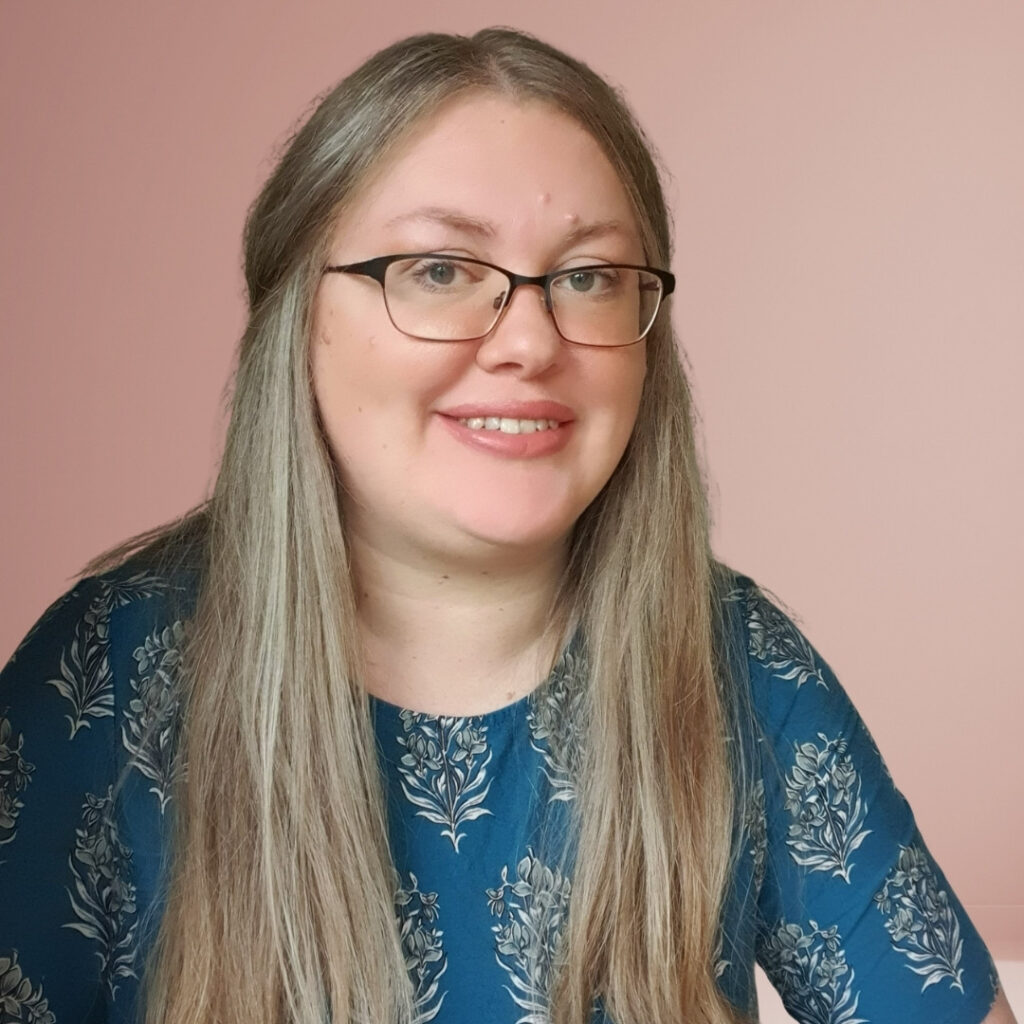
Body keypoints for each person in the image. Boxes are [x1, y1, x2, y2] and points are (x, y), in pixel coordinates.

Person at [0, 27, 1015, 1024]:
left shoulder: (740, 669)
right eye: (441, 269)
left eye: (588, 277)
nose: (529, 340)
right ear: (295, 317)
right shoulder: (107, 673)